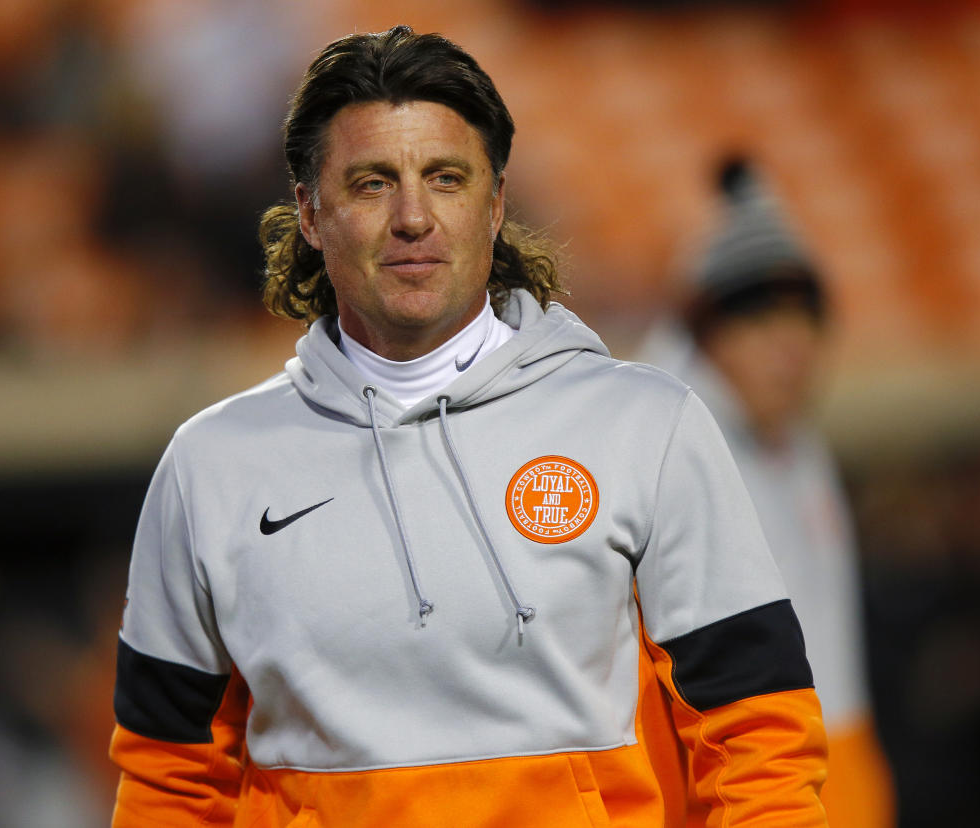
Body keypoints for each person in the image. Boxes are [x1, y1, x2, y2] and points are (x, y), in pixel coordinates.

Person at [109, 26, 829, 827]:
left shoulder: (644, 429)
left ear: (495, 208)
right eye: (372, 183)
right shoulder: (210, 469)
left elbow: (760, 736)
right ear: (310, 214)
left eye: (445, 178)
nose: (413, 216)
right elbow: (170, 779)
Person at [637, 157, 896, 828]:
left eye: (803, 322)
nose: (790, 347)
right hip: (741, 785)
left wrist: (756, 210)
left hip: (840, 765)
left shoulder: (796, 443)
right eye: (758, 322)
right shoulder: (675, 440)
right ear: (706, 335)